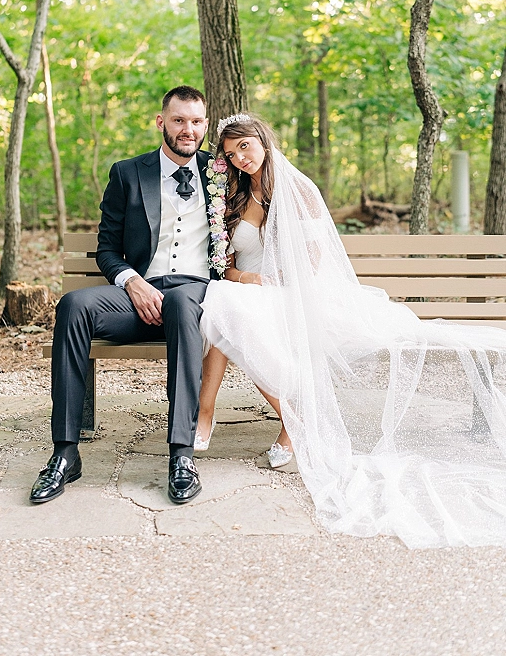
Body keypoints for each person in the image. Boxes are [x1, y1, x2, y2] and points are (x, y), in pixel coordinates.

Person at [197, 112, 506, 548]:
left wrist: (250, 281)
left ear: (263, 140)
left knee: (227, 309)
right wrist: (231, 273)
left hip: (291, 293)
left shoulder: (299, 190)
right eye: (231, 154)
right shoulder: (236, 193)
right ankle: (288, 416)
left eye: (245, 146)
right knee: (225, 307)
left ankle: (233, 415)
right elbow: (225, 253)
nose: (240, 157)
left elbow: (312, 264)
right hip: (246, 294)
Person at [30, 86, 224, 506]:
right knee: (74, 305)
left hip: (193, 296)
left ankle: (181, 455)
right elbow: (105, 248)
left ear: (205, 125)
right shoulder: (127, 173)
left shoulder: (222, 173)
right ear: (161, 122)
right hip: (140, 292)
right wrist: (132, 282)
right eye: (178, 120)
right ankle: (65, 453)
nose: (187, 130)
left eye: (196, 122)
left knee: (182, 302)